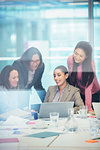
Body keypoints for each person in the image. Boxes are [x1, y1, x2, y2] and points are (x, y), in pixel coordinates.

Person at [67, 41, 100, 114]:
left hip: (93, 93)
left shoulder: (90, 66)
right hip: (80, 92)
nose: (77, 57)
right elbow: (71, 78)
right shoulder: (70, 59)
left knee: (91, 115)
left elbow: (88, 89)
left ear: (86, 56)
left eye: (81, 56)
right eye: (76, 53)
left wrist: (88, 108)